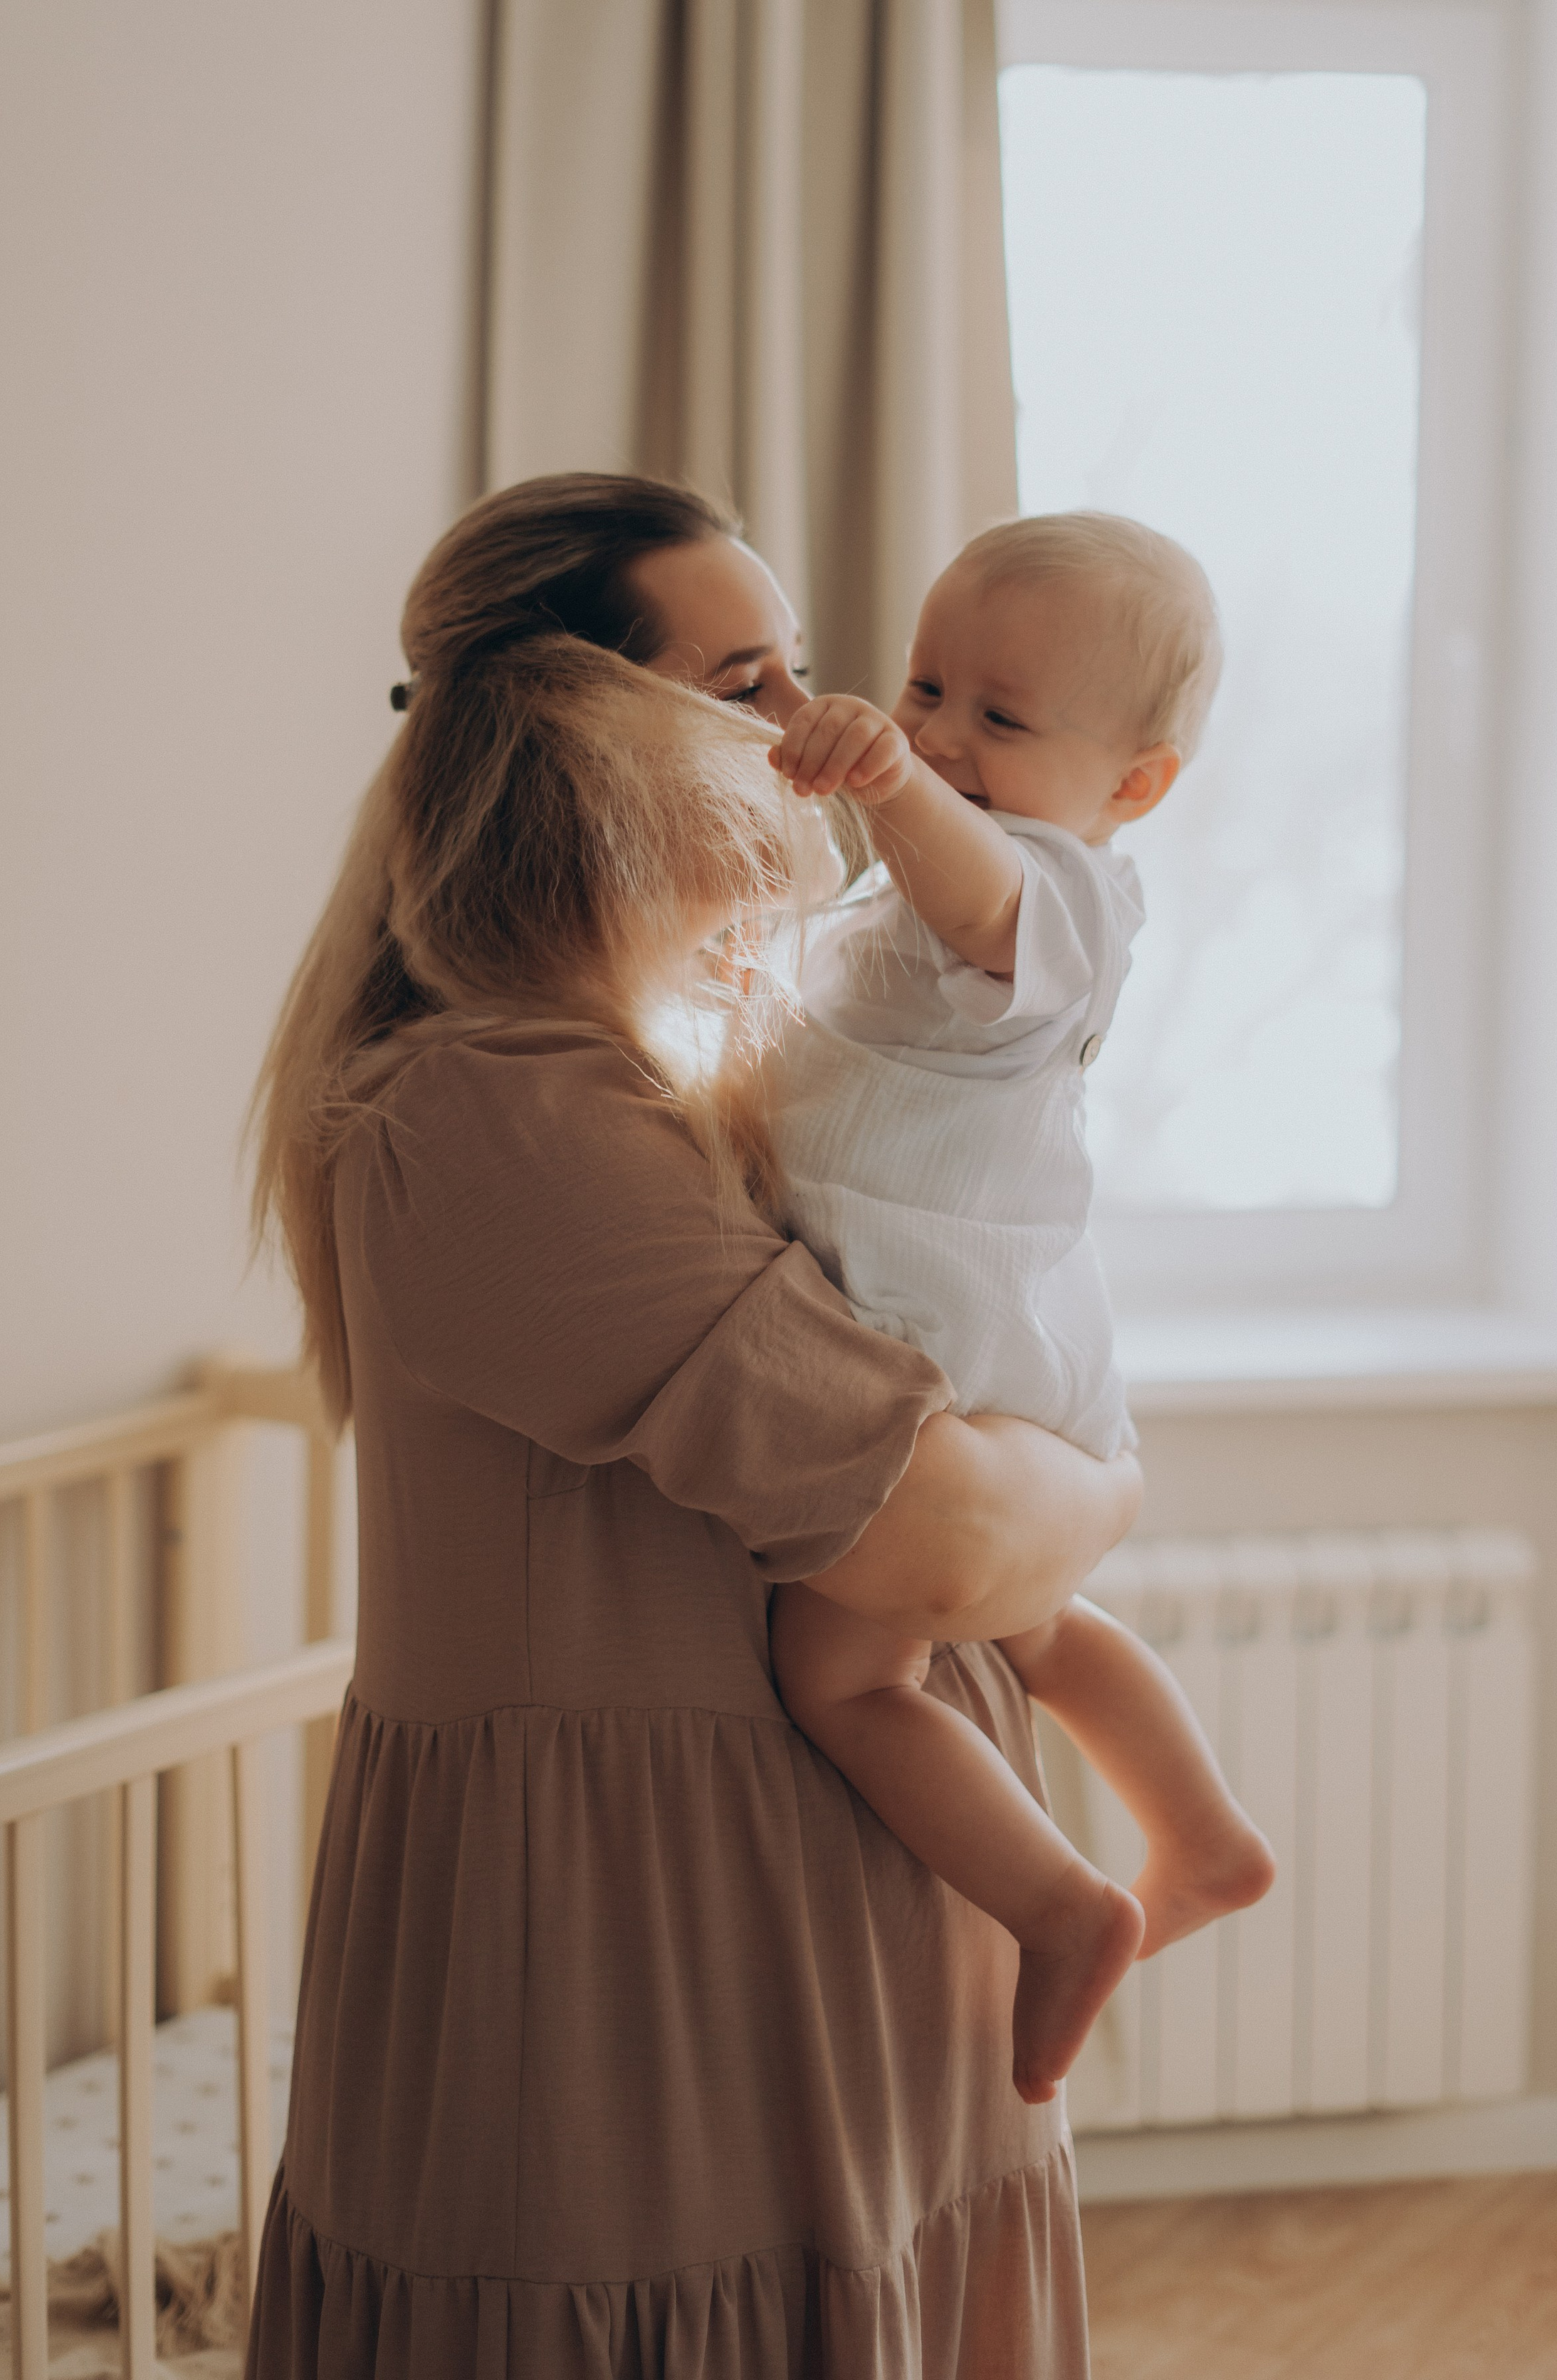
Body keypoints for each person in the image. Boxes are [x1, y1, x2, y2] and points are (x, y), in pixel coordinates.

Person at [244, 474, 1138, 2379]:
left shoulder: (710, 1043)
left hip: (831, 1937)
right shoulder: (496, 1109)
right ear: (577, 730)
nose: (822, 730)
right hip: (641, 1958)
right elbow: (943, 1546)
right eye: (748, 680)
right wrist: (1110, 1483)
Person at [764, 515, 1276, 2105]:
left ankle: (1060, 1910)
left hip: (944, 1338)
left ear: (1129, 790)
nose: (935, 736)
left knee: (841, 1679)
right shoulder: (890, 896)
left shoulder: (1064, 897)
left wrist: (895, 782)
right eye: (924, 687)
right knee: (1037, 1622)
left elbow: (979, 902)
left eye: (999, 717)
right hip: (991, 1331)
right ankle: (1202, 1838)